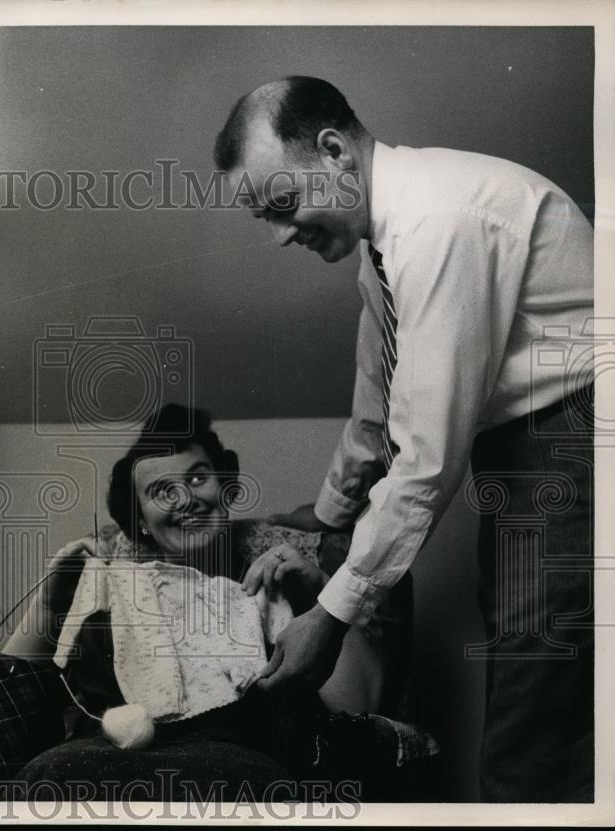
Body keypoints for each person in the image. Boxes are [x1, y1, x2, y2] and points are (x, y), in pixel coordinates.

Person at [212, 76, 594, 802]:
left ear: (333, 151)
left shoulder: (437, 226)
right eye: (265, 216)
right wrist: (326, 518)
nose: (280, 234)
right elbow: (377, 402)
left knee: (533, 717)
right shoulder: (379, 250)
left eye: (284, 205)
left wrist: (331, 615)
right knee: (537, 677)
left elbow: (425, 457)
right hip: (520, 452)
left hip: (577, 434)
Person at [0, 403, 402, 800]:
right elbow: (2, 711)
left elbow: (363, 704)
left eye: (197, 479)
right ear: (140, 520)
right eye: (161, 492)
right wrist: (49, 608)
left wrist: (319, 597)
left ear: (224, 486)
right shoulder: (105, 575)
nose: (186, 499)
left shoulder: (282, 576)